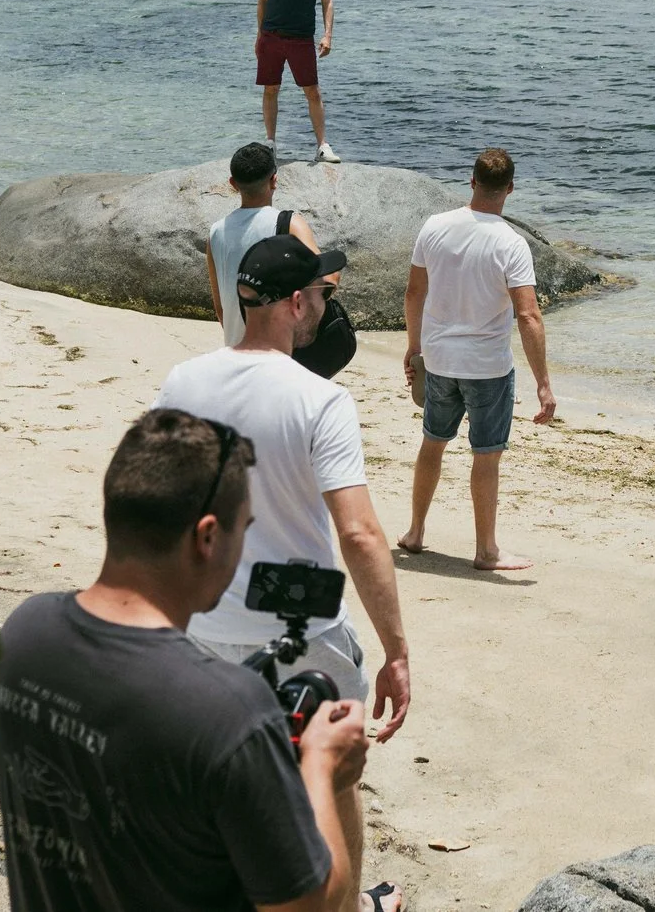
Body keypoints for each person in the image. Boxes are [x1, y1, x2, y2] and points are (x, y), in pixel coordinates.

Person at [0, 408, 374, 912]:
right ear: (208, 537)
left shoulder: (20, 635)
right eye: (244, 530)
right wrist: (322, 768)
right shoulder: (230, 711)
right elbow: (307, 907)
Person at [156, 236, 413, 905]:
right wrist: (396, 648)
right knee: (334, 773)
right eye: (325, 296)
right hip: (303, 621)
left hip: (205, 618)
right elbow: (358, 532)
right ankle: (348, 903)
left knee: (225, 774)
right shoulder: (320, 399)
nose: (327, 308)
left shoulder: (183, 380)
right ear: (297, 301)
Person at [396, 148, 556, 570]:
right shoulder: (511, 243)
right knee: (485, 454)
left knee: (433, 443)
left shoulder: (434, 226)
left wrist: (415, 347)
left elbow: (414, 293)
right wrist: (543, 382)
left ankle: (414, 532)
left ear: (471, 182)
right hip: (487, 367)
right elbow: (528, 314)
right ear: (510, 189)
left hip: (440, 359)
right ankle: (485, 550)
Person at [208, 140, 327, 348]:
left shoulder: (216, 232)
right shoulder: (289, 223)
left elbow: (221, 309)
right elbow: (327, 278)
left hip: (236, 347)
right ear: (274, 180)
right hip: (280, 351)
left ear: (233, 184)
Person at [258, 0, 337, 163]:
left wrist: (327, 35)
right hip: (271, 36)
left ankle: (322, 146)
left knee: (312, 91)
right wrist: (259, 36)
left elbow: (327, 1)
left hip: (301, 37)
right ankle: (270, 143)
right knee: (271, 89)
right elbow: (263, 0)